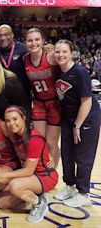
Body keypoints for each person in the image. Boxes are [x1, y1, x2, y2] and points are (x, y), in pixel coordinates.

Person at [53, 39, 101, 207]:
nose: (60, 55)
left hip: (86, 119)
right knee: (67, 153)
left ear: (71, 52)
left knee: (82, 156)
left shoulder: (80, 72)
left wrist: (78, 126)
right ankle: (70, 186)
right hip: (68, 118)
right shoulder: (57, 71)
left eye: (64, 51)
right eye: (57, 52)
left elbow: (87, 101)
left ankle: (83, 193)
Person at [0, 106, 58, 223]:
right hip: (29, 176)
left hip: (44, 176)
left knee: (14, 185)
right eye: (8, 120)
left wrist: (5, 175)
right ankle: (34, 194)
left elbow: (28, 170)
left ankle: (39, 204)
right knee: (2, 203)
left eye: (15, 119)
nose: (11, 123)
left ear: (23, 118)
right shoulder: (15, 136)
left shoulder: (33, 138)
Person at [23, 28, 61, 166]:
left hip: (54, 103)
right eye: (30, 40)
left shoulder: (51, 57)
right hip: (38, 103)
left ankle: (53, 172)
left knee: (52, 142)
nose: (34, 43)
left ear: (43, 41)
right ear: (25, 42)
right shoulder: (24, 59)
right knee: (39, 139)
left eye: (37, 39)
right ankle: (41, 169)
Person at [0, 24, 30, 99]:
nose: (3, 38)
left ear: (12, 35)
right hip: (1, 94)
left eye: (6, 34)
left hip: (23, 92)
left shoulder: (24, 49)